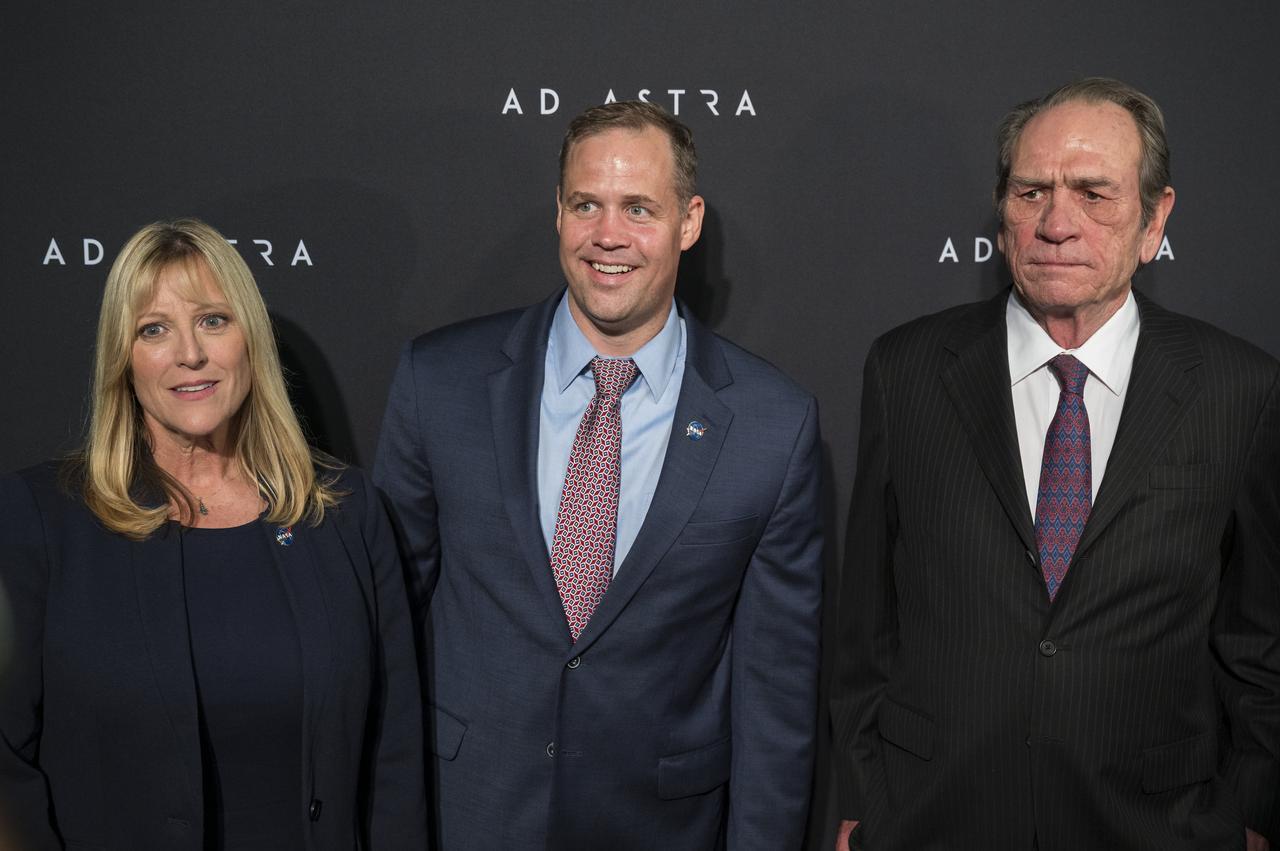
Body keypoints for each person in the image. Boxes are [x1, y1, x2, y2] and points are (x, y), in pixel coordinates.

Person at [830, 77, 1279, 851]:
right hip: (936, 820)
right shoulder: (904, 371)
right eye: (1031, 190)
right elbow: (868, 625)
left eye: (1094, 193)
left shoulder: (1238, 388)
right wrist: (864, 797)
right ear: (1002, 214)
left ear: (1154, 218)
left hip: (1157, 827)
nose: (1057, 222)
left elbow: (1259, 642)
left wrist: (1253, 815)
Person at [375, 100, 824, 849]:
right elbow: (385, 631)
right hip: (467, 814)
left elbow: (775, 699)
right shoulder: (439, 382)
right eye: (587, 204)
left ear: (689, 221)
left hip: (660, 827)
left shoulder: (774, 427)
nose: (608, 235)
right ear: (558, 212)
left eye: (639, 208)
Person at [0, 219, 427, 850]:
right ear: (124, 359)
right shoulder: (43, 517)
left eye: (212, 321)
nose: (190, 355)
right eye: (154, 330)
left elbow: (395, 756)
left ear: (249, 340)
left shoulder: (342, 512)